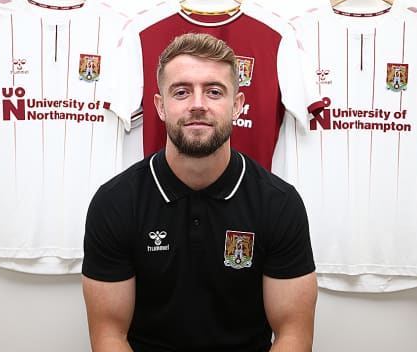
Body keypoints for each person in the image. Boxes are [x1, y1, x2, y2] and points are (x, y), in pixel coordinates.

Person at [82, 32, 318, 351]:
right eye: (181, 92)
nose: (197, 104)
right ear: (160, 106)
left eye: (214, 92)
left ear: (237, 106)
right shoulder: (115, 203)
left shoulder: (279, 204)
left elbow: (293, 334)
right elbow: (109, 335)